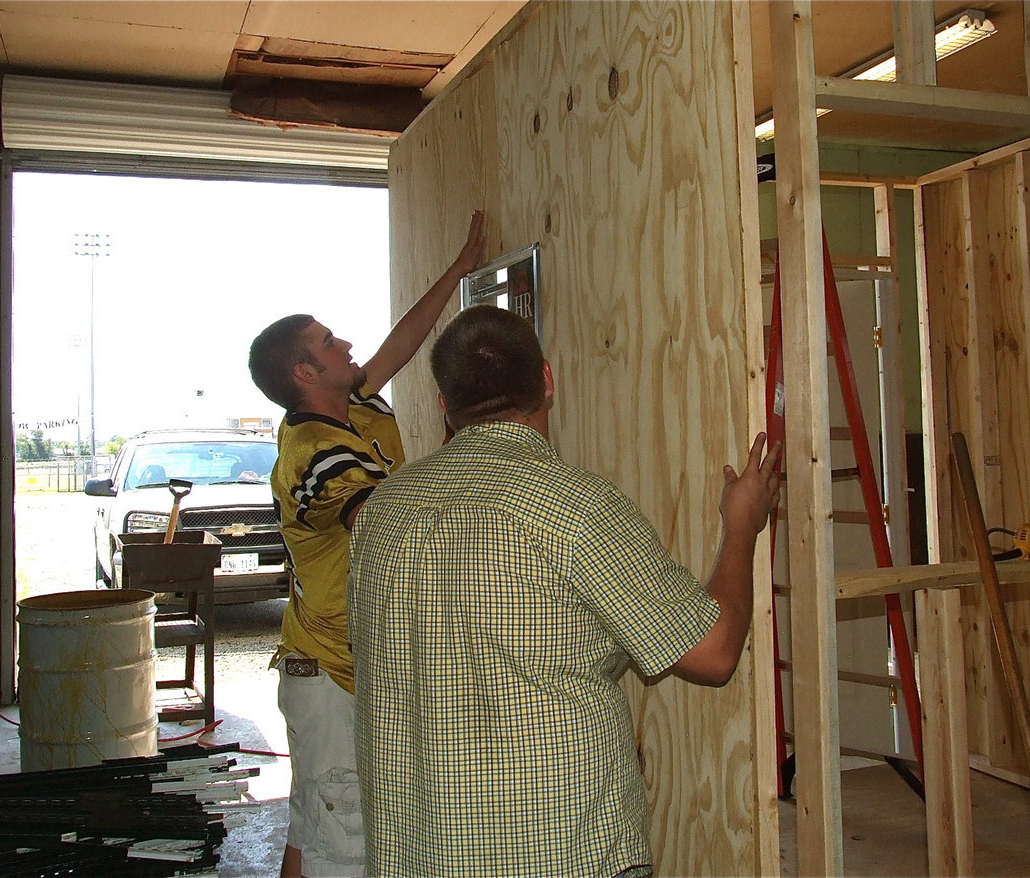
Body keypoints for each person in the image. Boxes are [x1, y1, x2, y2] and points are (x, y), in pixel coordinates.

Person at [347, 304, 781, 877]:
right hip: (556, 854)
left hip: (416, 856)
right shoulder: (574, 509)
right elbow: (714, 652)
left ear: (444, 404)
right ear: (547, 380)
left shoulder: (384, 509)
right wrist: (742, 528)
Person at [247, 210, 486, 878]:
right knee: (342, 847)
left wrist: (457, 272)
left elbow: (397, 346)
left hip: (338, 665)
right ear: (304, 371)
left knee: (313, 831)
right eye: (329, 342)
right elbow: (384, 526)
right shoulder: (314, 452)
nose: (346, 344)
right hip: (330, 674)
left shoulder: (348, 403)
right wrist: (470, 446)